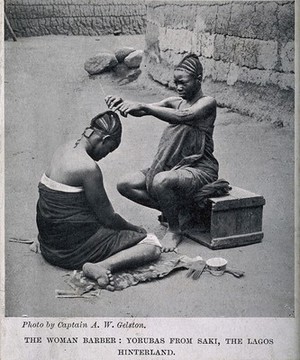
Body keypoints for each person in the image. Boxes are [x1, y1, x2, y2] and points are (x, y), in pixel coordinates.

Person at [105, 53, 219, 252]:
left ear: (198, 80)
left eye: (183, 82)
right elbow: (143, 109)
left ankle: (174, 229)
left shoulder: (207, 103)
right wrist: (123, 102)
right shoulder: (175, 101)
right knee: (125, 184)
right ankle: (179, 212)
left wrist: (144, 107)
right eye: (176, 83)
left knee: (160, 181)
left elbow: (185, 116)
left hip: (200, 168)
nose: (179, 87)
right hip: (174, 166)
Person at [36, 110, 161, 291]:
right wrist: (134, 229)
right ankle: (103, 265)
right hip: (70, 251)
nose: (105, 155)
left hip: (49, 246)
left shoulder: (64, 147)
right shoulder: (88, 167)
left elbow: (50, 198)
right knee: (151, 245)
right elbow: (108, 217)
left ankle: (53, 242)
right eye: (109, 149)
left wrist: (43, 237)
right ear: (105, 139)